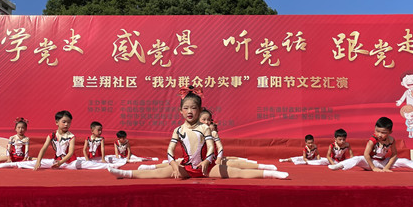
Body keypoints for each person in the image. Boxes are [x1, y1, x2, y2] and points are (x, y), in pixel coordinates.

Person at [108, 87, 288, 180]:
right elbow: (170, 151)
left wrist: (207, 161)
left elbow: (211, 148)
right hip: (186, 168)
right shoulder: (178, 130)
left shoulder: (205, 128)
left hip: (207, 168)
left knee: (237, 172)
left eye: (193, 108)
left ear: (200, 110)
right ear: (180, 111)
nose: (189, 111)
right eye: (186, 108)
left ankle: (272, 174)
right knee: (156, 174)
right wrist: (174, 165)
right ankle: (124, 174)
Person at [328, 117, 413, 172]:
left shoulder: (391, 140)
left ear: (390, 132)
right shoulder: (372, 140)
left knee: (404, 161)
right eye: (377, 131)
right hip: (370, 162)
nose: (379, 134)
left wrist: (386, 167)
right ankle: (339, 166)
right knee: (358, 158)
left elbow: (394, 155)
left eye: (383, 133)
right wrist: (373, 168)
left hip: (383, 162)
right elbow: (366, 155)